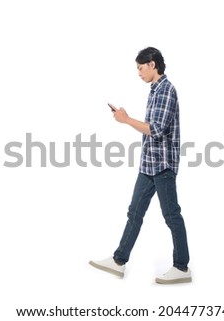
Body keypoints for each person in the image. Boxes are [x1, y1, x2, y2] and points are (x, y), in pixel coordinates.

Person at [89, 47, 191, 284]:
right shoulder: (154, 90)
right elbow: (151, 126)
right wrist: (127, 119)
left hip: (163, 166)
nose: (138, 72)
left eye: (140, 67)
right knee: (134, 213)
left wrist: (125, 120)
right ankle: (118, 261)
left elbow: (156, 130)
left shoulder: (166, 90)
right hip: (148, 165)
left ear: (153, 64)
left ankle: (182, 267)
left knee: (172, 216)